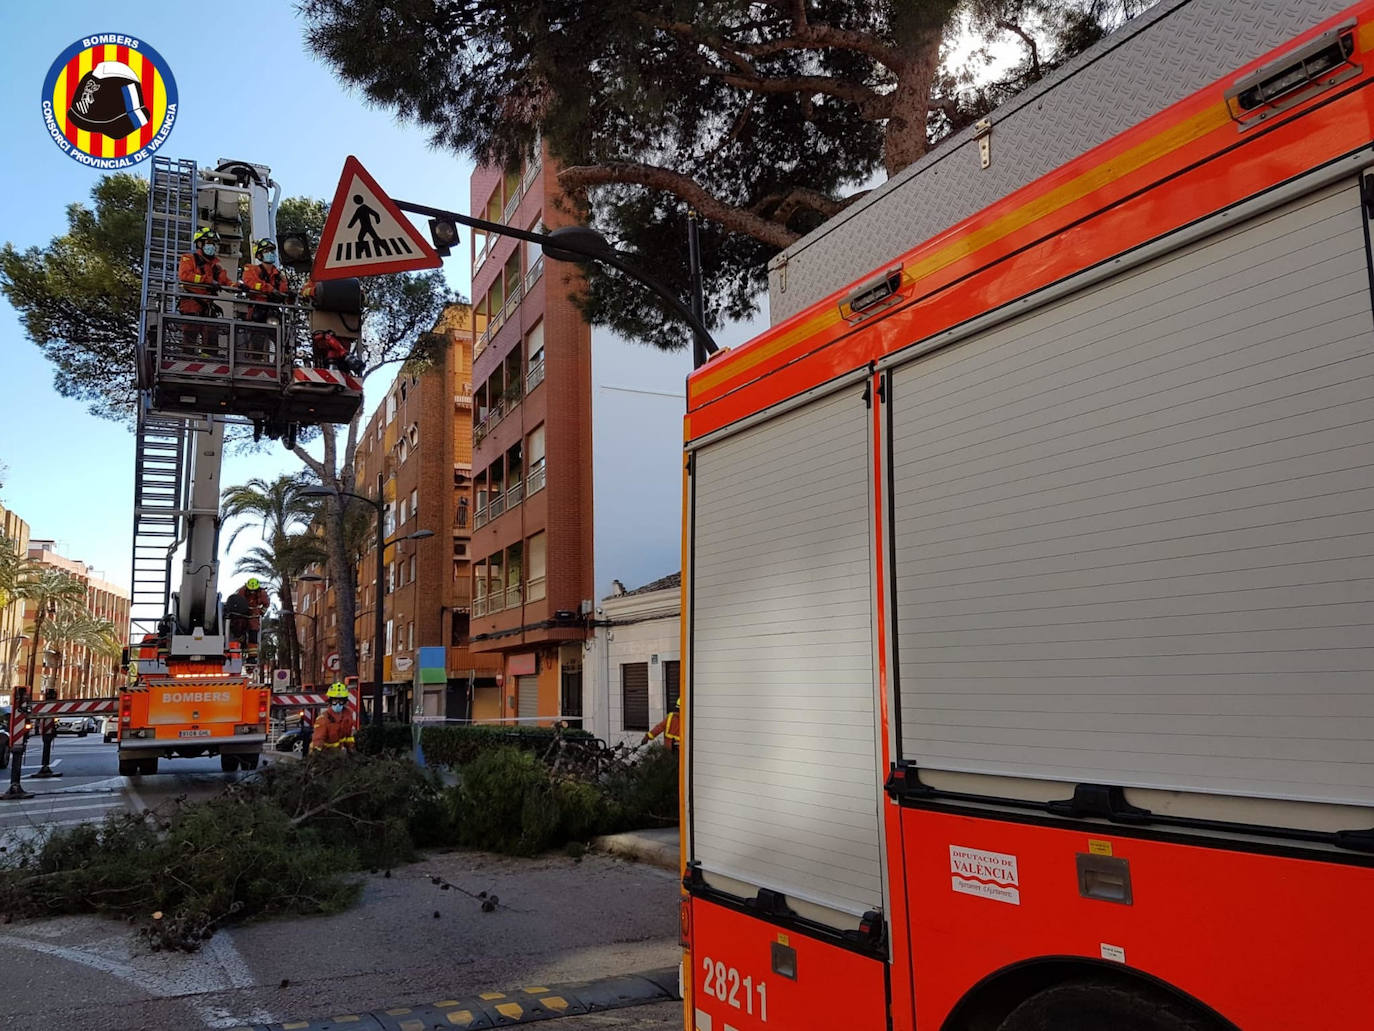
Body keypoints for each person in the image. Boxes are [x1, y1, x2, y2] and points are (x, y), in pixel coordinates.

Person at [177, 228, 235, 356]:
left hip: (207, 305)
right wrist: (208, 281)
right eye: (209, 243)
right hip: (192, 303)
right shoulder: (189, 258)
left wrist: (238, 286)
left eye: (214, 244)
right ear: (200, 244)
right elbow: (185, 275)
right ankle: (188, 357)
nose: (212, 246)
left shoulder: (215, 266)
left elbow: (225, 280)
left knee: (211, 333)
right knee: (190, 333)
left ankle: (210, 358)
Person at [240, 239, 293, 364]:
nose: (270, 253)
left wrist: (288, 294)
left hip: (273, 310)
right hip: (258, 308)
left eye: (271, 251)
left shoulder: (279, 275)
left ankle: (280, 361)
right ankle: (254, 360)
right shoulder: (252, 269)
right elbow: (250, 282)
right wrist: (269, 289)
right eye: (266, 251)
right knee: (257, 336)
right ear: (259, 255)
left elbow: (283, 291)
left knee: (281, 336)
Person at [231, 578, 271, 662]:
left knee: (253, 632)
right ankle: (240, 639)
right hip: (242, 613)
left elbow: (266, 604)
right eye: (250, 590)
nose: (252, 592)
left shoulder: (262, 593)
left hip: (254, 614)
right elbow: (236, 601)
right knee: (238, 625)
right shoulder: (242, 591)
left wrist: (261, 612)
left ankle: (252, 657)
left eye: (254, 590)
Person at [311, 682, 356, 752]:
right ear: (330, 701)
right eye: (335, 701)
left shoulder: (348, 715)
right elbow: (318, 741)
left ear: (345, 702)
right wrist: (318, 756)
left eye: (341, 701)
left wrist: (351, 749)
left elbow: (348, 736)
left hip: (338, 752)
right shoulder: (323, 719)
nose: (338, 704)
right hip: (325, 753)